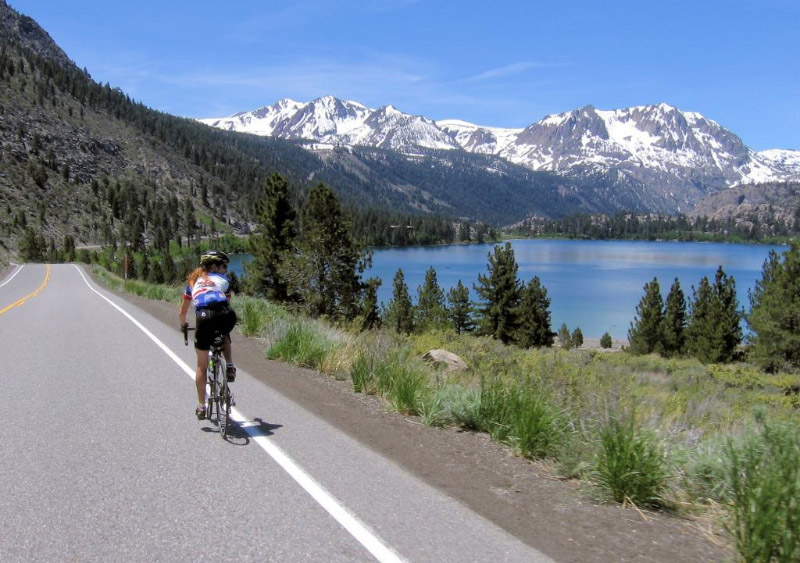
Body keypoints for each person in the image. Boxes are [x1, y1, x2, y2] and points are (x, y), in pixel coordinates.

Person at [179, 250, 238, 420]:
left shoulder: (192, 282)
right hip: (226, 314)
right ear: (214, 266)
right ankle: (230, 365)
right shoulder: (223, 280)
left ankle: (202, 406)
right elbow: (226, 302)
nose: (226, 270)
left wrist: (183, 326)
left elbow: (182, 312)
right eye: (224, 266)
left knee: (201, 366)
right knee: (224, 334)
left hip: (204, 317)